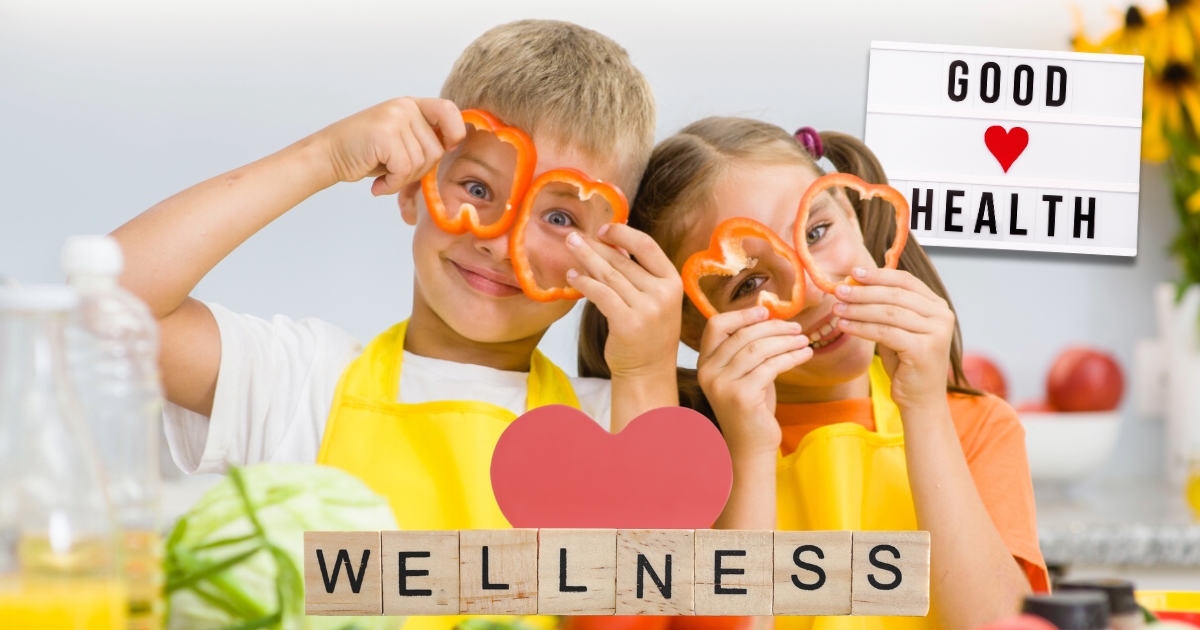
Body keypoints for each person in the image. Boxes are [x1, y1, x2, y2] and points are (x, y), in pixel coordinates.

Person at [113, 17, 680, 617]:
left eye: (560, 218)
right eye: (478, 189)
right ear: (414, 188)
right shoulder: (301, 381)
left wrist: (645, 371)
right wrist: (323, 155)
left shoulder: (609, 426)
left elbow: (644, 607)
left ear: (612, 254)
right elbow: (108, 309)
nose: (499, 240)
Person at [579, 117, 1048, 630]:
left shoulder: (977, 427)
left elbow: (1001, 623)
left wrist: (924, 408)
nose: (815, 289)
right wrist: (750, 451)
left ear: (851, 209)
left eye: (817, 232)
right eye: (749, 281)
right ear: (691, 328)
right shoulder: (682, 461)